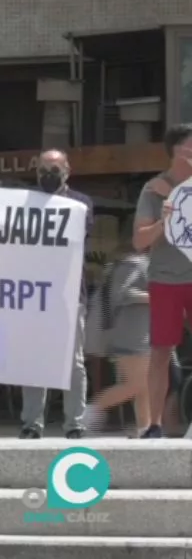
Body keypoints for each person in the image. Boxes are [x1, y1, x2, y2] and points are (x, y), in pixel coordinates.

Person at [19, 149, 92, 439]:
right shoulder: (24, 203)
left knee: (73, 362)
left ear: (67, 171)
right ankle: (31, 424)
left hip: (70, 293)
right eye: (43, 170)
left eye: (54, 169)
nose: (48, 175)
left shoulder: (82, 204)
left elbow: (75, 241)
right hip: (33, 294)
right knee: (34, 358)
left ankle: (74, 424)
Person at [133, 123, 192, 438]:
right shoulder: (152, 189)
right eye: (190, 145)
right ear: (177, 150)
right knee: (160, 351)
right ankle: (153, 424)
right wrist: (164, 220)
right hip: (166, 280)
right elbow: (139, 241)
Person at [83, 239, 151, 435]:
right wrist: (155, 298)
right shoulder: (132, 265)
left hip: (140, 335)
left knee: (143, 385)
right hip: (130, 335)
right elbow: (123, 294)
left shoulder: (139, 264)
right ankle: (92, 410)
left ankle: (144, 428)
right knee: (135, 384)